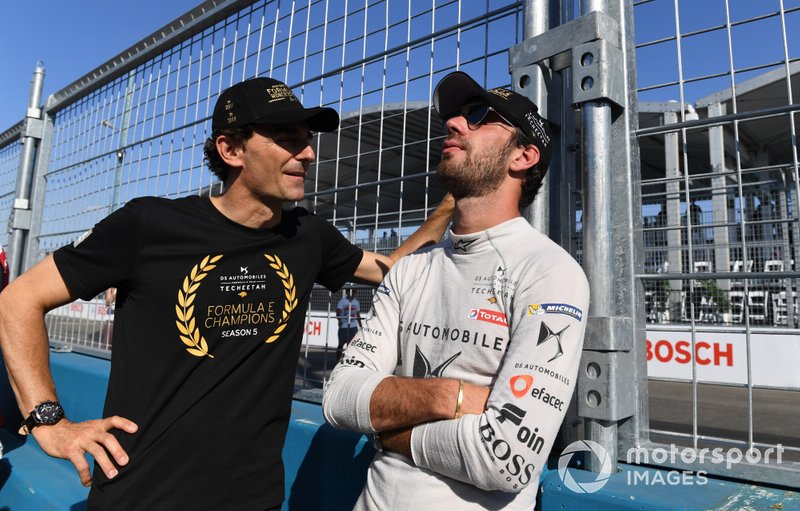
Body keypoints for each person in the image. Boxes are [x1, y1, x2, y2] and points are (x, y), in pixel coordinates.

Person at [0, 76, 454, 510]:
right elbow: (18, 300)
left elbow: (395, 270)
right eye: (287, 138)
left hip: (252, 497)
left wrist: (452, 203)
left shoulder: (310, 237)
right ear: (231, 149)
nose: (309, 152)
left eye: (307, 138)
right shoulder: (148, 225)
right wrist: (49, 423)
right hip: (139, 494)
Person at [323, 71, 590, 510]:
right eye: (456, 115)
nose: (454, 123)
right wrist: (452, 396)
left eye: (479, 116)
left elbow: (505, 459)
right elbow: (338, 398)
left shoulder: (549, 271)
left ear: (523, 156)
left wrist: (387, 429)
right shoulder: (410, 268)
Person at [336, 289, 361, 355]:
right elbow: (338, 312)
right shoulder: (342, 301)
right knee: (340, 345)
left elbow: (357, 314)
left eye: (354, 291)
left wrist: (360, 325)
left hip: (353, 327)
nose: (353, 293)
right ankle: (337, 360)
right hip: (344, 327)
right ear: (347, 292)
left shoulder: (356, 302)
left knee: (351, 345)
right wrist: (339, 320)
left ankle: (347, 360)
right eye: (352, 291)